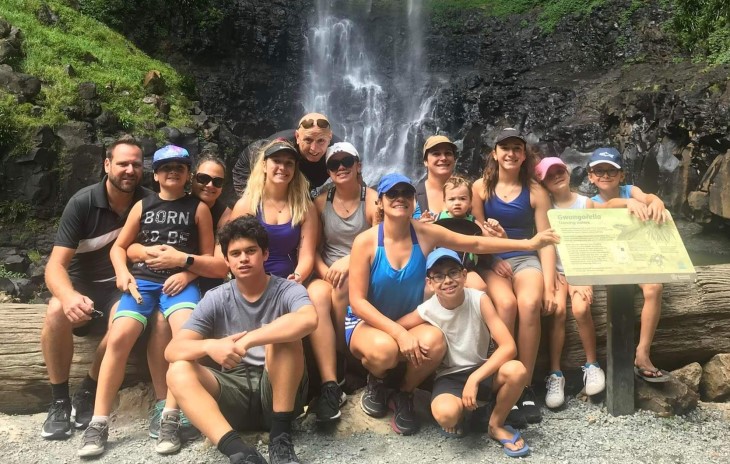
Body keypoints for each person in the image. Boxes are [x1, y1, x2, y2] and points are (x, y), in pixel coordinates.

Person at [348, 172, 558, 436]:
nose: (399, 199)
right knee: (386, 351)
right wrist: (399, 333)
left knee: (436, 341)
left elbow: (475, 242)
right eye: (392, 194)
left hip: (412, 319)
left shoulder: (424, 233)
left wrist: (528, 243)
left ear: (414, 200)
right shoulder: (365, 242)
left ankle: (404, 393)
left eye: (406, 194)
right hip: (368, 323)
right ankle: (377, 381)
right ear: (379, 202)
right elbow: (356, 301)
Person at [78, 145, 215, 457]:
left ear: (188, 173)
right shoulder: (143, 206)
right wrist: (122, 274)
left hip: (178, 285)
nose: (173, 172)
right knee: (120, 335)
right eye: (166, 167)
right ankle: (98, 422)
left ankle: (170, 416)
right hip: (140, 283)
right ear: (156, 173)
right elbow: (120, 247)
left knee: (184, 337)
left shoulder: (199, 209)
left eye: (180, 167)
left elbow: (207, 257)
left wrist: (188, 276)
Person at [164, 216, 317, 464]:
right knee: (178, 369)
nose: (243, 259)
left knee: (284, 336)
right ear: (226, 260)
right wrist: (209, 345)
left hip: (279, 391)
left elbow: (308, 319)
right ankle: (239, 452)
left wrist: (249, 341)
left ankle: (280, 441)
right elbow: (172, 350)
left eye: (250, 251)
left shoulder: (288, 289)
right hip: (234, 393)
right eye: (235, 254)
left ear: (265, 254)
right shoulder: (216, 298)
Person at [40, 136, 152, 440]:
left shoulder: (149, 202)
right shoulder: (83, 202)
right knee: (54, 311)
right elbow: (54, 266)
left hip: (122, 285)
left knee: (124, 319)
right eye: (122, 163)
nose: (129, 170)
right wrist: (68, 296)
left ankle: (88, 389)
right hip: (82, 285)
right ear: (107, 165)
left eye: (136, 164)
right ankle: (59, 400)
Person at [126, 154, 231, 438]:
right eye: (204, 178)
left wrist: (185, 266)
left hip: (207, 283)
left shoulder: (222, 213)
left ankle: (190, 397)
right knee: (161, 322)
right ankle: (164, 402)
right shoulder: (162, 204)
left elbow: (222, 265)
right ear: (191, 177)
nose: (210, 185)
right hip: (164, 283)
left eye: (218, 181)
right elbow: (133, 246)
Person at [398, 248, 530, 457]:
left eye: (453, 272)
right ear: (430, 283)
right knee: (446, 415)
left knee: (517, 370)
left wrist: (475, 379)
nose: (447, 280)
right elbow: (398, 326)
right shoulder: (428, 309)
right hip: (449, 377)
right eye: (439, 276)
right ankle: (472, 413)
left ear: (464, 275)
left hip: (481, 370)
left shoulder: (479, 299)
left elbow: (508, 346)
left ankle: (495, 424)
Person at [471, 127, 557, 425]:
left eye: (516, 148)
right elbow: (476, 235)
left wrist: (549, 284)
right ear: (495, 153)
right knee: (506, 304)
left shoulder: (535, 191)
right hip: (493, 260)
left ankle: (525, 384)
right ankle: (504, 379)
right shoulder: (480, 188)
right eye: (504, 148)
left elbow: (544, 239)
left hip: (525, 257)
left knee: (531, 303)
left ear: (524, 155)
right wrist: (493, 258)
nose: (510, 153)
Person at [308, 142, 378, 422]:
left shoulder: (372, 199)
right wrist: (324, 271)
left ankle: (347, 359)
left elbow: (378, 241)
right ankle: (330, 378)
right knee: (315, 294)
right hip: (328, 270)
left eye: (346, 161)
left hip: (362, 268)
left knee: (340, 290)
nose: (340, 168)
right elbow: (312, 247)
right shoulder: (320, 201)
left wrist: (350, 261)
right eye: (333, 164)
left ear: (358, 165)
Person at [587, 147, 670, 383]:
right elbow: (606, 210)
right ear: (590, 176)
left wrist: (657, 202)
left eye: (611, 170)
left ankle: (643, 353)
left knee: (654, 287)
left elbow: (648, 197)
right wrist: (625, 204)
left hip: (635, 255)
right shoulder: (589, 203)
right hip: (607, 258)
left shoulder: (630, 189)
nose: (605, 175)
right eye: (599, 171)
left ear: (621, 174)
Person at [535, 157, 605, 408]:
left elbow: (596, 241)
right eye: (549, 174)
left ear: (567, 172)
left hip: (580, 268)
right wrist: (549, 279)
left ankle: (592, 364)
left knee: (581, 308)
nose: (556, 176)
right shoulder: (545, 207)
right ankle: (555, 374)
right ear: (543, 182)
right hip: (556, 272)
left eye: (559, 171)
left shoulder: (586, 204)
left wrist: (585, 276)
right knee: (557, 311)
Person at [231, 139, 317, 283]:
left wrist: (297, 277)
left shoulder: (305, 207)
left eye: (289, 163)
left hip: (290, 283)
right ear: (264, 165)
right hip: (252, 282)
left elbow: (307, 255)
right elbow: (233, 250)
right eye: (276, 161)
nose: (282, 167)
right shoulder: (246, 205)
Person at [232, 112, 338, 198]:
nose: (314, 148)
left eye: (321, 141)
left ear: (330, 137)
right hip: (253, 170)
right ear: (297, 137)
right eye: (308, 140)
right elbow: (248, 165)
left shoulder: (340, 151)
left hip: (307, 181)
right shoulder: (280, 147)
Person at [433, 176, 489, 292]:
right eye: (452, 199)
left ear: (470, 202)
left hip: (465, 269)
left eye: (462, 199)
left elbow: (488, 240)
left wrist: (494, 230)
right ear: (444, 201)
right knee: (428, 290)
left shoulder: (473, 222)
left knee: (481, 287)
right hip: (440, 268)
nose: (457, 203)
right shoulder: (437, 219)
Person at [415, 135, 458, 222]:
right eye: (436, 154)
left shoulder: (469, 191)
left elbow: (480, 230)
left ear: (454, 160)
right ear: (425, 162)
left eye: (448, 153)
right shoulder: (413, 195)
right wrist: (418, 227)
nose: (443, 158)